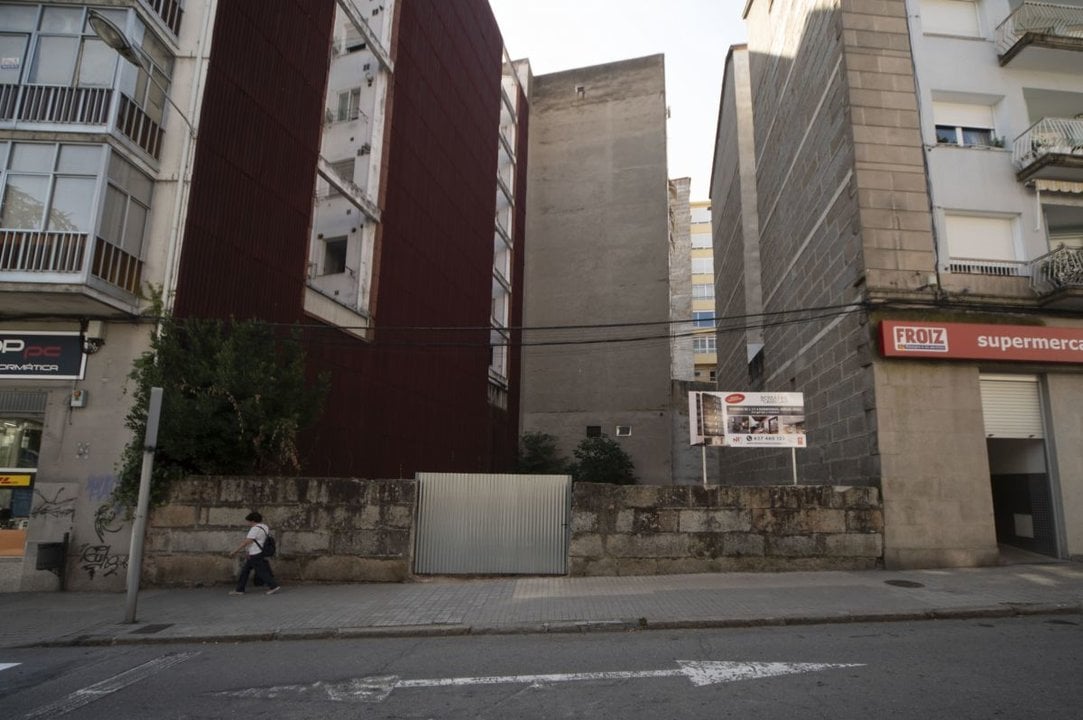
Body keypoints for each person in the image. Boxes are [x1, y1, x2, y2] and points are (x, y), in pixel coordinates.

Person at [229, 511, 281, 596]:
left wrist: (235, 551)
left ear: (253, 521)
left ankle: (273, 586)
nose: (248, 523)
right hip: (258, 552)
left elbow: (247, 541)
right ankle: (240, 589)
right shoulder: (264, 527)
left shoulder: (255, 529)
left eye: (249, 521)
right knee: (246, 571)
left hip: (255, 553)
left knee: (260, 571)